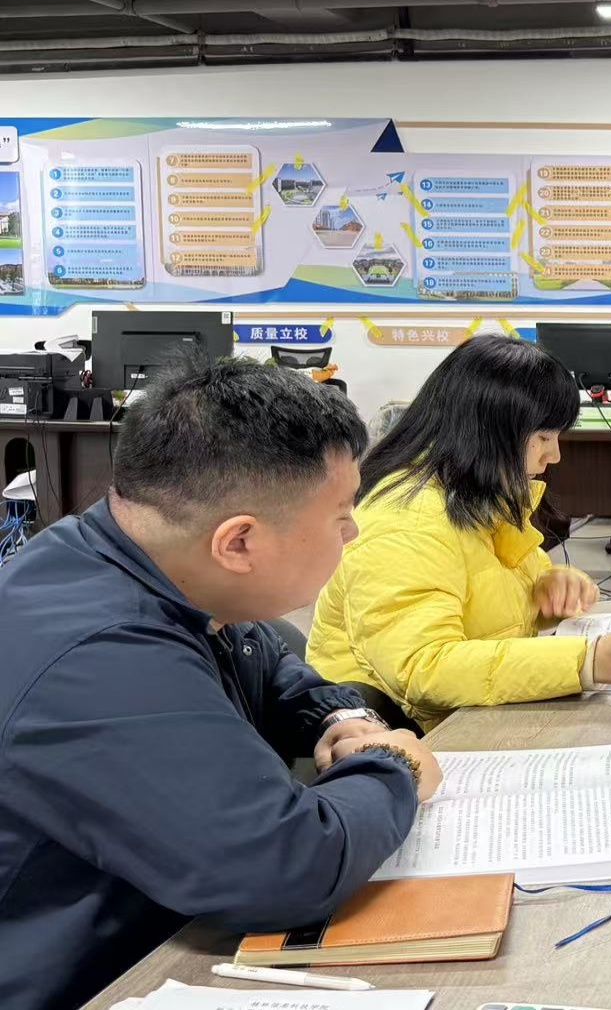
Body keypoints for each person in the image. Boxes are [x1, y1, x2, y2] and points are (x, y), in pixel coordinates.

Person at [0, 356, 442, 1010]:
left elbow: (269, 660)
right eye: (341, 515)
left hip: (153, 929)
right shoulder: (102, 655)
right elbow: (286, 866)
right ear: (238, 543)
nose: (353, 533)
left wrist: (343, 719)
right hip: (84, 980)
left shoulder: (144, 555)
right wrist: (393, 766)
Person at [309, 335, 611, 730]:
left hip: (469, 715)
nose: (554, 455)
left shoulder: (476, 495)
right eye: (543, 438)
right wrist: (584, 662)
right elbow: (425, 668)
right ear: (489, 431)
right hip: (407, 735)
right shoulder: (406, 523)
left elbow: (497, 598)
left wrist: (552, 588)